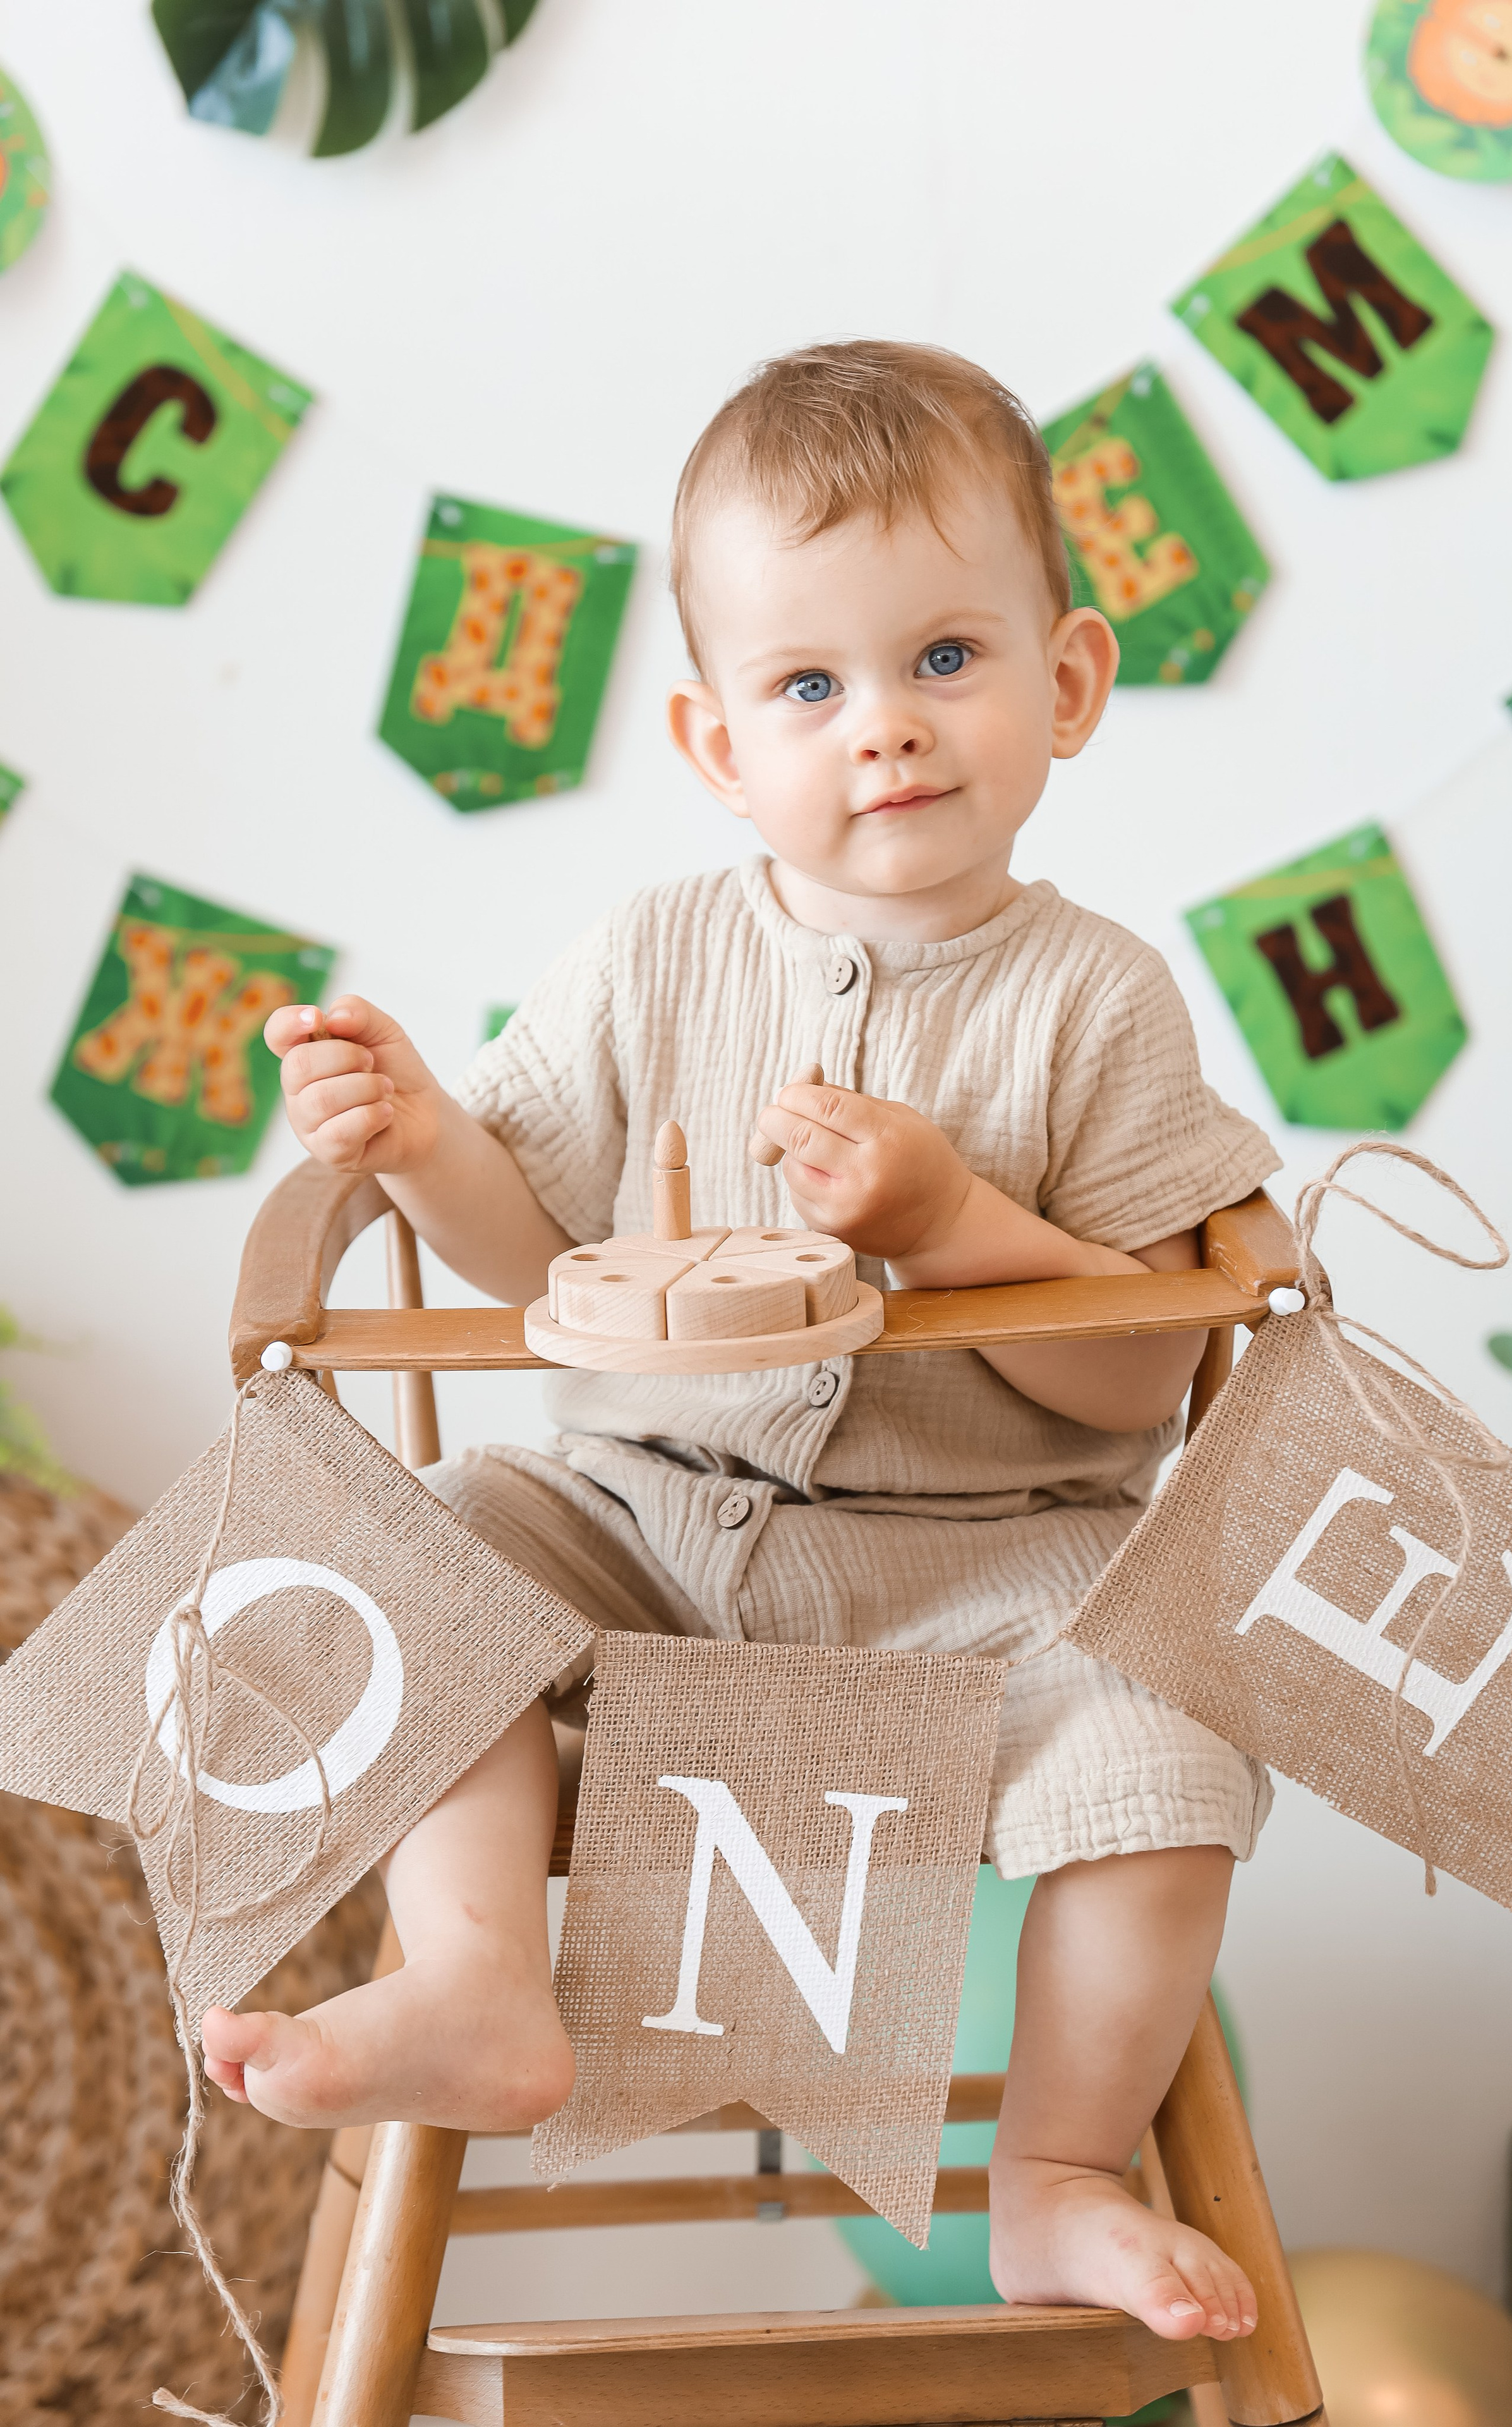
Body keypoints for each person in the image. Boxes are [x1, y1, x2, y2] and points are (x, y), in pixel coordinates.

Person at [205, 340, 1278, 2343]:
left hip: (993, 1579)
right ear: (718, 742)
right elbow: (537, 1263)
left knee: (1176, 1746)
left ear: (1069, 682)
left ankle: (1047, 2174)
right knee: (420, 1539)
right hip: (641, 1528)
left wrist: (953, 1231)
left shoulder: (1098, 1003)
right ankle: (476, 1981)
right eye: (812, 687)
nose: (884, 731)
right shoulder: (646, 957)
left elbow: (1142, 1370)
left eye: (946, 658)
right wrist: (427, 1138)